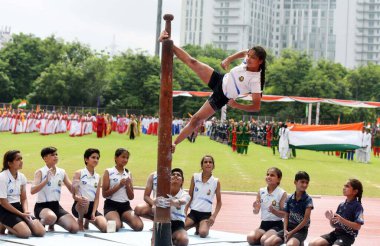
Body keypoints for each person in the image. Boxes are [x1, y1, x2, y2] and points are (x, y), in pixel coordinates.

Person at [159, 31, 267, 152]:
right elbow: (244, 53)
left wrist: (236, 105)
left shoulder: (256, 80)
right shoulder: (246, 59)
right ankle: (166, 42)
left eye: (253, 58)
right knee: (193, 62)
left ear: (260, 61)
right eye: (249, 55)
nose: (248, 59)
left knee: (196, 119)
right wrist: (228, 59)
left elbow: (256, 106)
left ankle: (174, 143)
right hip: (220, 79)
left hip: (222, 97)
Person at [31, 147, 79, 233]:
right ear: (45, 158)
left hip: (56, 206)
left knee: (74, 228)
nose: (56, 156)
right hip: (42, 206)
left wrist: (75, 186)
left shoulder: (62, 172)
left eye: (56, 154)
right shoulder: (40, 172)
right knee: (50, 217)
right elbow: (32, 191)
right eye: (52, 155)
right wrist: (46, 181)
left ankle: (53, 222)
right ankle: (37, 224)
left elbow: (71, 190)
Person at [0, 150, 45, 238]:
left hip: (18, 207)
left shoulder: (22, 177)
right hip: (4, 209)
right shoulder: (2, 177)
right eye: (18, 159)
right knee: (25, 233)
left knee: (40, 231)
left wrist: (25, 211)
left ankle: (15, 224)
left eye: (21, 158)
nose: (21, 161)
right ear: (9, 163)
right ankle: (3, 223)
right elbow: (3, 202)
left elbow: (23, 198)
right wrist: (21, 215)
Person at [309, 179, 364, 246]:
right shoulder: (341, 205)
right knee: (312, 244)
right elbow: (334, 225)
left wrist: (342, 220)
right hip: (335, 234)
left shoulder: (358, 206)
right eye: (344, 186)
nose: (344, 188)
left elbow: (358, 226)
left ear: (355, 191)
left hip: (347, 237)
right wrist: (331, 220)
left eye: (347, 186)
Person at [264, 171, 313, 246]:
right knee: (267, 243)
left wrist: (291, 233)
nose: (305, 185)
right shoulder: (289, 198)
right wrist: (285, 231)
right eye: (302, 182)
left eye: (307, 182)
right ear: (295, 182)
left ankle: (299, 241)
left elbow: (305, 220)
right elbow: (286, 215)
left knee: (290, 245)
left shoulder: (308, 200)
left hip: (301, 230)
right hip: (289, 228)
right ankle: (298, 242)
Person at [102, 148, 143, 231]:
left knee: (139, 226)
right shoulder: (108, 172)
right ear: (116, 158)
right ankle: (113, 218)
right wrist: (119, 185)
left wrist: (127, 185)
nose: (125, 160)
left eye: (127, 158)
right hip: (111, 205)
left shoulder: (128, 173)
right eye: (123, 157)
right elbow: (104, 194)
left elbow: (131, 197)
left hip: (125, 206)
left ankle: (121, 218)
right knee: (115, 227)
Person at [247, 167, 287, 245]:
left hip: (276, 225)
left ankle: (281, 237)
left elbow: (285, 214)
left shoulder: (282, 193)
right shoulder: (261, 191)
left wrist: (274, 211)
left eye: (272, 175)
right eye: (267, 174)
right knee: (250, 238)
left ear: (278, 179)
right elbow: (256, 212)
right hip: (263, 225)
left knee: (264, 240)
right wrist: (256, 209)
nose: (269, 176)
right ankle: (269, 238)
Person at [185, 155, 222, 238]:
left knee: (203, 233)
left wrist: (213, 216)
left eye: (210, 162)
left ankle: (200, 225)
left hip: (206, 214)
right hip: (193, 212)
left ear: (213, 166)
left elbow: (219, 202)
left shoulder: (216, 181)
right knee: (180, 228)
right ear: (202, 165)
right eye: (205, 162)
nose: (208, 164)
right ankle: (195, 223)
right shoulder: (195, 177)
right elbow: (189, 196)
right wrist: (185, 210)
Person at [71, 148, 107, 232]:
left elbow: (97, 198)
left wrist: (93, 213)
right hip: (79, 206)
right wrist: (78, 198)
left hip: (91, 207)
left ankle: (88, 220)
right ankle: (80, 220)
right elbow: (74, 195)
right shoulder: (79, 173)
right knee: (85, 201)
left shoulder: (98, 177)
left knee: (105, 227)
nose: (96, 160)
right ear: (86, 159)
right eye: (93, 157)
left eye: (97, 158)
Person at [154, 168, 191, 246]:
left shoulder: (185, 194)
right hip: (162, 221)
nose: (175, 176)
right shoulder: (162, 191)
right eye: (173, 174)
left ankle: (172, 238)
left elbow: (183, 201)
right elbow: (154, 202)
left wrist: (174, 202)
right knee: (155, 242)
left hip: (178, 223)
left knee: (184, 240)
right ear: (169, 179)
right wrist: (156, 202)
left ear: (182, 181)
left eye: (178, 175)